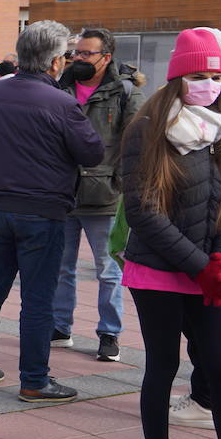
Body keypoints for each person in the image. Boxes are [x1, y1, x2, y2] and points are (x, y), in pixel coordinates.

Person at [118, 27, 221, 439]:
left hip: (208, 274)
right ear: (178, 77)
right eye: (199, 76)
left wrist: (220, 262)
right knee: (163, 366)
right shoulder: (148, 129)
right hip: (158, 273)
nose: (210, 85)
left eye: (216, 76)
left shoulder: (220, 124)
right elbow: (143, 212)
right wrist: (200, 267)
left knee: (220, 366)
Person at [0, 21, 103, 401]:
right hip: (43, 206)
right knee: (38, 298)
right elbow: (91, 152)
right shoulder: (62, 103)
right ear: (56, 62)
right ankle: (35, 378)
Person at [50, 28, 142, 362]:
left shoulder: (125, 91)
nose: (79, 59)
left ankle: (109, 333)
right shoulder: (60, 87)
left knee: (108, 270)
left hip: (105, 196)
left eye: (87, 54)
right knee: (61, 267)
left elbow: (135, 143)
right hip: (64, 194)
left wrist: (119, 183)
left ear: (106, 57)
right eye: (76, 53)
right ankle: (60, 326)